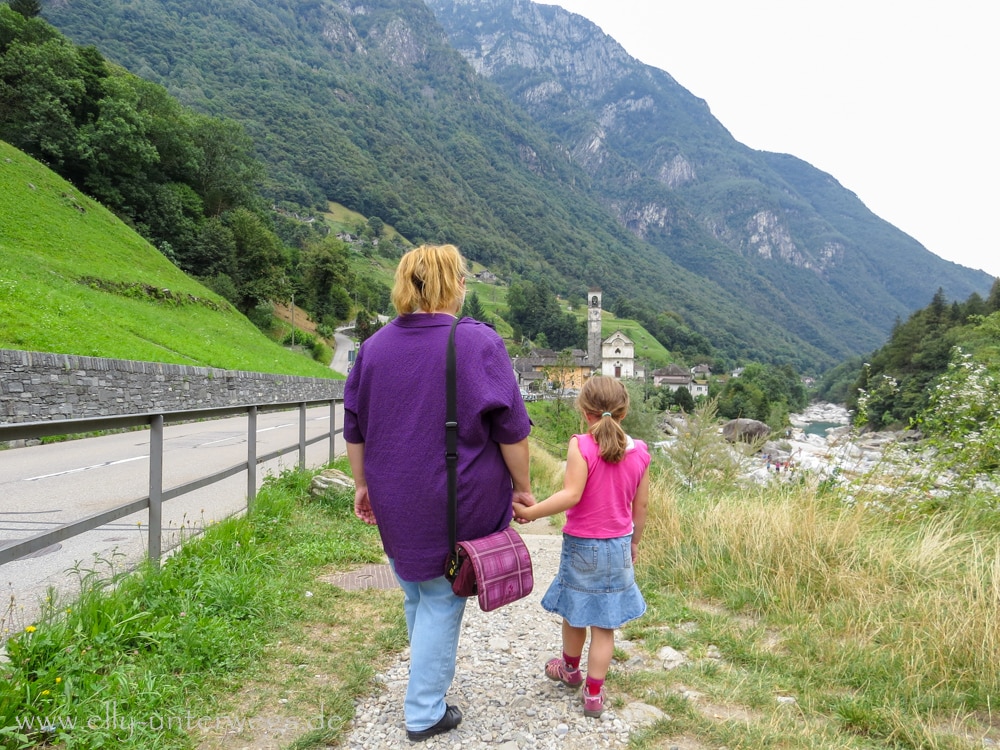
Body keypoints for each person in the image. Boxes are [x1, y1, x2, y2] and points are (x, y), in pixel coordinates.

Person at [344, 244, 535, 742]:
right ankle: (424, 711)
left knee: (416, 589)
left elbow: (355, 428)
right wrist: (524, 488)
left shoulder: (374, 347)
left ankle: (424, 680)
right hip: (452, 501)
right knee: (441, 595)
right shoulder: (477, 343)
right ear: (455, 285)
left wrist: (363, 486)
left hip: (394, 496)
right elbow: (512, 431)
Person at [513, 376, 650, 718]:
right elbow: (641, 507)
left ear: (585, 411)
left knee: (575, 613)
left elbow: (571, 494)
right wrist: (634, 542)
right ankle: (593, 695)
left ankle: (570, 670)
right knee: (605, 626)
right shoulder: (641, 451)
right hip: (618, 546)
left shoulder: (581, 445)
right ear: (624, 411)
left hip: (583, 547)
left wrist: (530, 511)